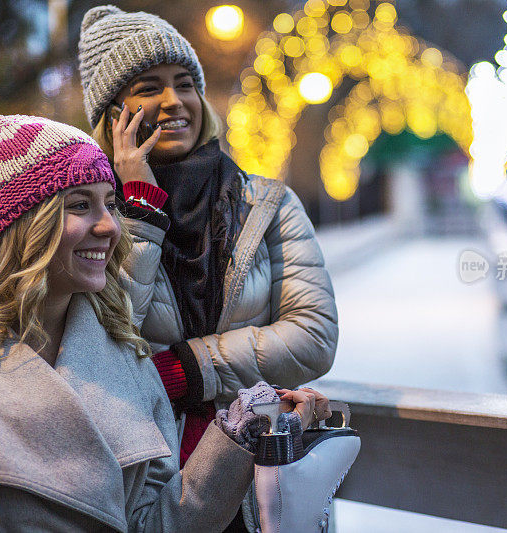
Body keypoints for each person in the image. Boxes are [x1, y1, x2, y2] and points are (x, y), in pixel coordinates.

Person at [0, 115, 325, 532]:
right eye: (80, 205)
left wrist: (241, 434)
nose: (110, 226)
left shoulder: (124, 349)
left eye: (111, 203)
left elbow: (157, 522)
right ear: (22, 226)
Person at [77, 12, 337, 529]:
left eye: (186, 84)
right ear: (112, 119)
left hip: (263, 481)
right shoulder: (93, 219)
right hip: (155, 484)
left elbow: (314, 336)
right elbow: (108, 337)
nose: (175, 102)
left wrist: (187, 368)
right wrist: (142, 210)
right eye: (149, 88)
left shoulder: (268, 205)